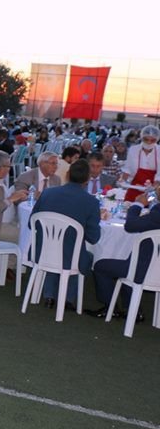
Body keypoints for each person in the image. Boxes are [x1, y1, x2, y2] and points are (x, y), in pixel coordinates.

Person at [29, 159, 101, 309]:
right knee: (79, 252)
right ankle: (68, 299)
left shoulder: (48, 193)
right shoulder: (91, 202)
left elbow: (32, 223)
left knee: (55, 247)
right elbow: (94, 238)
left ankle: (49, 295)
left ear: (67, 175)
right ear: (87, 179)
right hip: (70, 257)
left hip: (42, 251)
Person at [87, 184, 160, 319]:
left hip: (147, 269)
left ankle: (110, 307)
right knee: (129, 261)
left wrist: (137, 205)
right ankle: (133, 309)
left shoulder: (157, 214)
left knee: (100, 266)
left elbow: (131, 226)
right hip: (153, 265)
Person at [120, 125, 160, 202]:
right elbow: (127, 169)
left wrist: (154, 186)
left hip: (152, 190)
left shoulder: (159, 151)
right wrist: (122, 180)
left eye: (152, 140)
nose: (149, 142)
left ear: (157, 139)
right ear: (141, 137)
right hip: (134, 187)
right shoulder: (133, 150)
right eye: (146, 139)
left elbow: (159, 174)